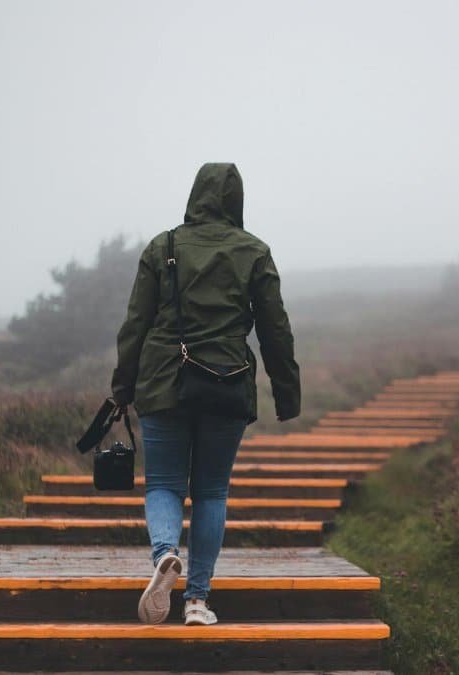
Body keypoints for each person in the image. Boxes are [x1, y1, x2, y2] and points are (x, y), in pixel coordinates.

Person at [110, 162, 301, 626]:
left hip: (162, 381)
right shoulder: (253, 251)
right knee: (211, 491)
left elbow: (136, 322)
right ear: (237, 201)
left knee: (163, 485)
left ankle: (164, 553)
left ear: (195, 196)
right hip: (227, 382)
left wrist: (123, 386)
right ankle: (197, 600)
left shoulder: (163, 246)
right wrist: (286, 392)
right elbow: (276, 329)